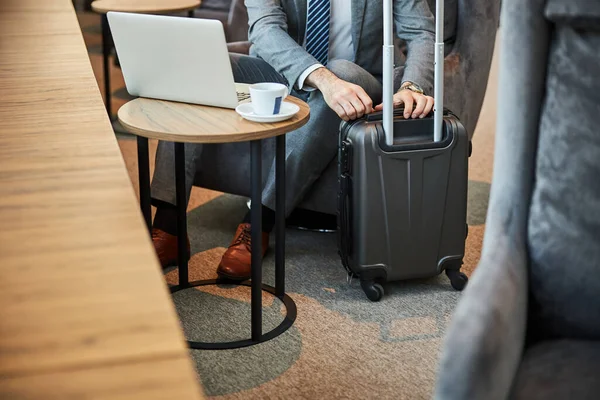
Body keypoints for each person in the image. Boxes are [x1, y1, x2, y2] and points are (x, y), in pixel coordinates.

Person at [151, 0, 436, 280]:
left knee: (341, 71)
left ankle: (258, 223)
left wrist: (413, 87)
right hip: (285, 70)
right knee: (197, 60)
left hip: (359, 79)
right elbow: (264, 28)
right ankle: (168, 224)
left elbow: (421, 31)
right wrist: (321, 78)